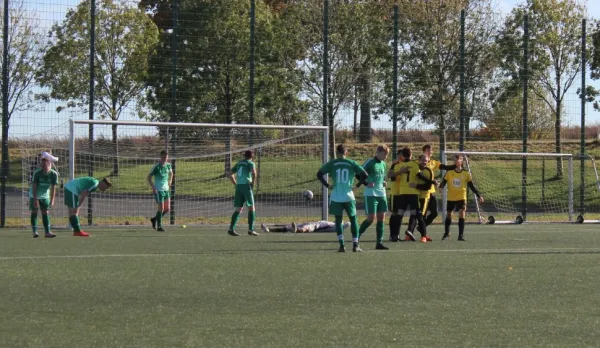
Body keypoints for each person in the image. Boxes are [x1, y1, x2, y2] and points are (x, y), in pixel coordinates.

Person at [316, 144, 368, 252]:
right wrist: (357, 186)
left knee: (338, 221)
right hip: (349, 196)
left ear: (337, 152)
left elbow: (319, 174)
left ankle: (342, 245)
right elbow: (365, 175)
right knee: (353, 219)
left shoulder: (332, 163)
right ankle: (355, 245)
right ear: (346, 152)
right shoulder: (351, 163)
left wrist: (327, 185)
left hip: (336, 197)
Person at [387, 147, 429, 242]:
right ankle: (394, 235)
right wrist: (431, 181)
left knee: (400, 214)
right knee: (400, 215)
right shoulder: (407, 165)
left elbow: (392, 177)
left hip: (401, 193)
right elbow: (390, 176)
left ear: (402, 155)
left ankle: (396, 235)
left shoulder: (401, 165)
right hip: (403, 193)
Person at [439, 154, 484, 241]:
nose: (455, 161)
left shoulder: (466, 173)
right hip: (451, 197)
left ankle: (461, 235)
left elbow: (472, 186)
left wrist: (479, 196)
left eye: (457, 160)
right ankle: (446, 233)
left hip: (461, 197)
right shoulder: (449, 173)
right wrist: (440, 188)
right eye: (454, 160)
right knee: (448, 214)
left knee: (461, 212)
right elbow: (443, 182)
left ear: (461, 161)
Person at [356, 144, 390, 250]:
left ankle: (379, 242)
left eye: (387, 154)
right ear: (378, 152)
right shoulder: (370, 162)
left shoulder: (383, 164)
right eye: (385, 154)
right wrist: (366, 183)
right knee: (371, 219)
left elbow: (382, 177)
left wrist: (384, 182)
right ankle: (356, 237)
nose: (386, 156)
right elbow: (358, 174)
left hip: (382, 194)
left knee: (381, 218)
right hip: (371, 194)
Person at [421, 144, 457, 226]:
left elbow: (445, 167)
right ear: (424, 151)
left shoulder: (434, 162)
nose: (431, 152)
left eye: (431, 150)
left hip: (432, 191)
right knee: (423, 213)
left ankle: (421, 227)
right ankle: (422, 233)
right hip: (423, 191)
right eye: (429, 150)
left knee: (435, 213)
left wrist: (456, 165)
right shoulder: (418, 162)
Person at [405, 154, 438, 242]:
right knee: (414, 214)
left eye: (426, 160)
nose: (424, 162)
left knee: (421, 216)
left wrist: (416, 186)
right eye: (423, 160)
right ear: (418, 160)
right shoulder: (415, 168)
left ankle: (423, 236)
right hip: (414, 195)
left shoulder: (429, 171)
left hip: (424, 196)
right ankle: (409, 234)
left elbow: (428, 187)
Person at [228, 150, 259, 236]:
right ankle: (251, 229)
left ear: (244, 156)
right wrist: (252, 184)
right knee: (251, 208)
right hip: (246, 187)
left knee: (238, 209)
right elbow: (254, 173)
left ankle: (231, 228)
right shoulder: (250, 163)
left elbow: (230, 173)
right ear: (252, 156)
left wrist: (235, 184)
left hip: (239, 187)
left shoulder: (239, 163)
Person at [29, 155, 59, 238]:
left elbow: (53, 188)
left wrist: (52, 200)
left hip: (45, 196)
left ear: (50, 163)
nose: (44, 164)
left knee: (45, 213)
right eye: (42, 162)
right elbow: (34, 186)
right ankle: (34, 231)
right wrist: (35, 199)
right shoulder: (37, 173)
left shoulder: (53, 174)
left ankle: (47, 232)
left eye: (45, 162)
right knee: (34, 212)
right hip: (34, 195)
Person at [147, 150, 173, 232]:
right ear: (160, 156)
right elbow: (148, 178)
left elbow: (171, 173)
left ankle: (154, 219)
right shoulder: (156, 167)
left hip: (166, 190)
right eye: (164, 156)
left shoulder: (168, 165)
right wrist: (153, 187)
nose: (165, 158)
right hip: (159, 190)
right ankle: (159, 226)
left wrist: (170, 180)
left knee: (167, 209)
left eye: (166, 157)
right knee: (161, 209)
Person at [260, 221, 351, 233]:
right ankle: (270, 230)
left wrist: (345, 224)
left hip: (316, 226)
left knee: (308, 228)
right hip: (314, 222)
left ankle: (297, 230)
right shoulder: (333, 223)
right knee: (288, 227)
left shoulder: (335, 226)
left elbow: (348, 224)